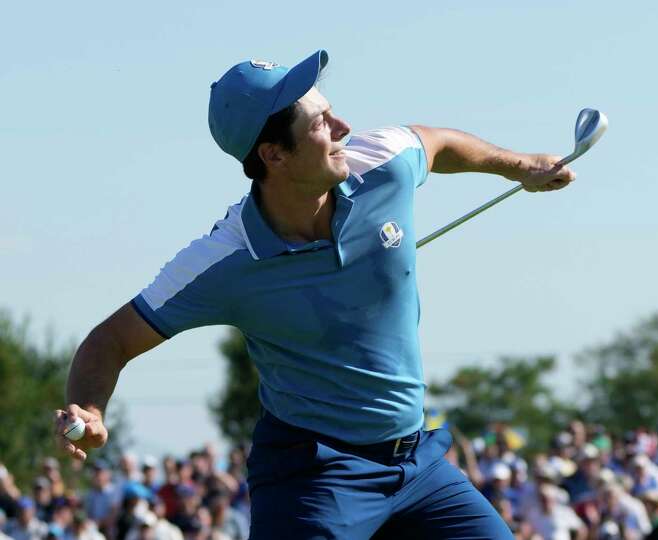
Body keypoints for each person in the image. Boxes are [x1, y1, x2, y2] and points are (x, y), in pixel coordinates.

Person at [53, 49, 576, 539]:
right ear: (274, 155)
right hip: (316, 475)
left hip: (417, 462)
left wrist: (518, 165)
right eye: (321, 124)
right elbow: (110, 341)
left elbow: (433, 142)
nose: (344, 128)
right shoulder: (223, 261)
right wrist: (90, 408)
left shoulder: (382, 163)